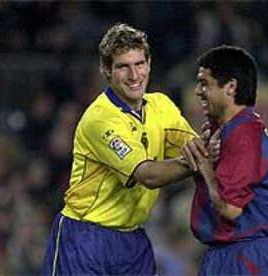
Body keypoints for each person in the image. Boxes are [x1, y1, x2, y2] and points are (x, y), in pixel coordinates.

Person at [42, 23, 210, 275]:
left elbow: (193, 146)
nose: (134, 75)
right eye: (123, 66)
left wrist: (214, 147)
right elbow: (149, 175)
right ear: (106, 70)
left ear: (149, 64)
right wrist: (200, 160)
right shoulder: (100, 119)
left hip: (132, 240)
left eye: (139, 64)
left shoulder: (161, 106)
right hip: (85, 237)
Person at [181, 45, 268, 275]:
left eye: (204, 83)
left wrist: (206, 170)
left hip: (244, 256)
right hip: (228, 252)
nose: (198, 91)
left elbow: (230, 209)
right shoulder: (231, 131)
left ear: (230, 86)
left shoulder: (245, 135)